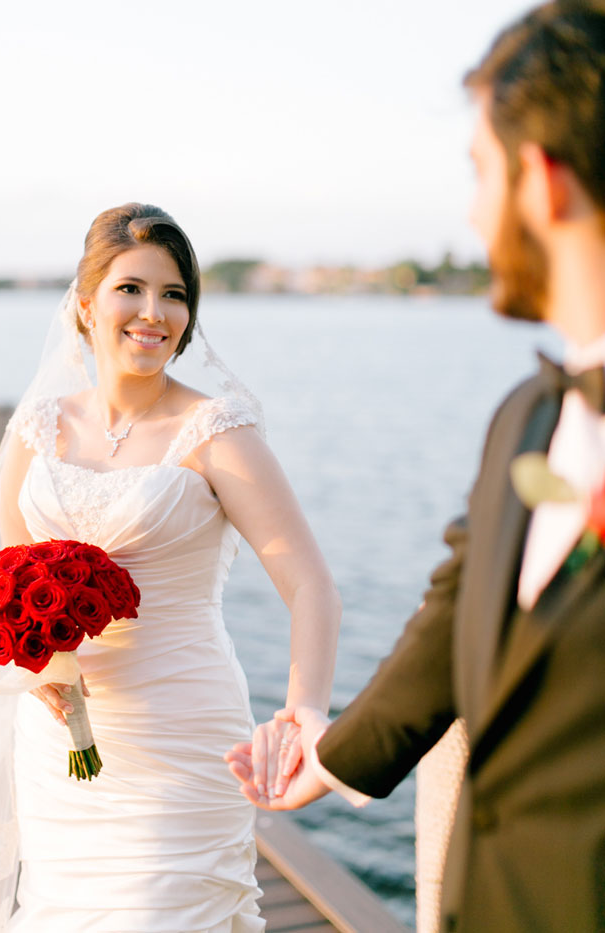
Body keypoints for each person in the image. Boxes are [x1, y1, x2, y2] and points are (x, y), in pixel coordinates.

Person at [227, 3, 605, 931]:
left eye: (480, 172)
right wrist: (331, 753)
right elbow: (459, 606)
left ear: (541, 179)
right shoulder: (525, 418)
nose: (472, 212)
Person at [0, 203, 341, 932]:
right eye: (131, 288)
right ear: (85, 305)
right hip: (60, 746)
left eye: (175, 295)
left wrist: (306, 712)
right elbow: (10, 571)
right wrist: (39, 663)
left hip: (183, 735)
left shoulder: (216, 432)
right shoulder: (40, 424)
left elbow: (311, 585)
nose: (153, 312)